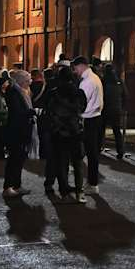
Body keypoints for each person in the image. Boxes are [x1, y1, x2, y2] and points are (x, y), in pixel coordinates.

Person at [42, 64, 87, 203]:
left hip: (58, 132)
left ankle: (64, 192)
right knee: (78, 163)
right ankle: (79, 192)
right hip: (75, 131)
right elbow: (82, 109)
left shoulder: (53, 93)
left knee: (61, 163)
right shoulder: (79, 93)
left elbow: (47, 110)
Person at [2, 69, 35, 197]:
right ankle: (8, 187)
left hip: (22, 129)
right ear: (21, 81)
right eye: (27, 81)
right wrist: (32, 112)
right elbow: (17, 111)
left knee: (19, 159)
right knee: (14, 158)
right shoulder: (14, 92)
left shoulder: (21, 91)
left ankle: (16, 185)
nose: (29, 83)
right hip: (16, 130)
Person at [74, 56, 104, 192]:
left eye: (75, 68)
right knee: (92, 152)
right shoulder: (95, 78)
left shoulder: (87, 82)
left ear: (81, 66)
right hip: (96, 117)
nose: (75, 71)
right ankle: (92, 182)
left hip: (88, 118)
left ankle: (92, 184)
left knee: (89, 153)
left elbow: (81, 102)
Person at [100, 63, 126, 159]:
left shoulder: (103, 81)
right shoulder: (119, 81)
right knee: (117, 131)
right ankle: (120, 150)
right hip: (116, 109)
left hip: (105, 108)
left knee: (101, 129)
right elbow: (125, 94)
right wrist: (122, 106)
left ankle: (99, 147)